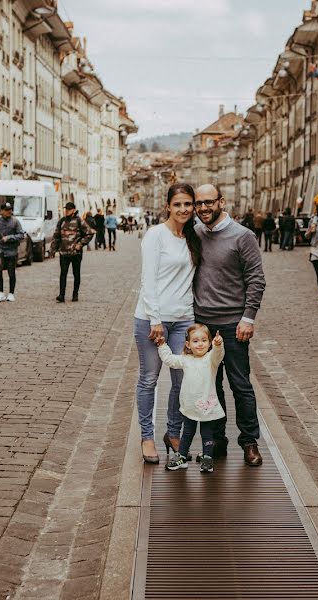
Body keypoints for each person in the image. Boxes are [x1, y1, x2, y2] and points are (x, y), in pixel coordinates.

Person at [193, 183, 266, 467]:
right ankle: (217, 441)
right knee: (211, 387)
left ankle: (249, 442)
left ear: (221, 202)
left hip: (234, 324)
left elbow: (256, 279)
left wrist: (248, 317)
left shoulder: (243, 236)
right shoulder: (195, 234)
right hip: (204, 325)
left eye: (208, 202)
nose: (203, 208)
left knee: (240, 385)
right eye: (199, 204)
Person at [134, 183, 201, 464]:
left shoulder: (193, 237)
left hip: (184, 319)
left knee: (181, 381)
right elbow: (148, 280)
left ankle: (173, 433)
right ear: (168, 206)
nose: (183, 209)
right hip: (153, 320)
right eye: (178, 205)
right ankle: (147, 437)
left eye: (188, 204)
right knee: (149, 379)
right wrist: (156, 319)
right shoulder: (155, 235)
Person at [157, 325, 225, 473]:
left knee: (207, 433)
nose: (200, 344)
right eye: (195, 341)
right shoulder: (186, 359)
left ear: (209, 343)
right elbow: (170, 360)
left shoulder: (211, 360)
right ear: (188, 344)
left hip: (206, 404)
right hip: (189, 405)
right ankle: (181, 456)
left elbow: (218, 354)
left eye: (204, 340)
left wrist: (218, 345)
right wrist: (162, 345)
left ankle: (207, 457)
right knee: (187, 432)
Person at [52, 201, 94, 303]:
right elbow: (56, 236)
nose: (67, 211)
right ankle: (61, 295)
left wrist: (80, 244)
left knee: (76, 274)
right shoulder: (61, 221)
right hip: (64, 253)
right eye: (66, 209)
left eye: (69, 209)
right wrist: (53, 249)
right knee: (63, 274)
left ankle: (75, 294)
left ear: (74, 210)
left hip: (76, 253)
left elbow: (90, 233)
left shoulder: (79, 221)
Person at [0, 201, 25, 302]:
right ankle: (0, 292)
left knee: (11, 272)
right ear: (2, 211)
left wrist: (9, 238)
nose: (9, 212)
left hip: (12, 252)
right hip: (0, 251)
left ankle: (11, 293)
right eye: (6, 210)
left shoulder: (15, 222)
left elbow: (21, 235)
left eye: (10, 210)